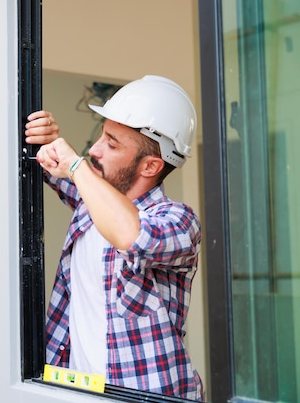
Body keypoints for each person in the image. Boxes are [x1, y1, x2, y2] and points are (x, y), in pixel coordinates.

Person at [25, 75, 204, 401]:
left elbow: (132, 236)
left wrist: (76, 166)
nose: (94, 149)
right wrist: (46, 136)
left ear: (150, 165)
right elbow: (50, 163)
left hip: (144, 395)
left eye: (112, 143)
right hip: (77, 391)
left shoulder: (179, 222)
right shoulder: (89, 199)